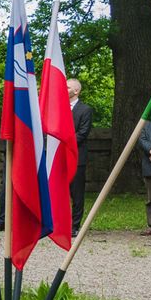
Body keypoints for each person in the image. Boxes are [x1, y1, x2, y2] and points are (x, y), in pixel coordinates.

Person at [67, 78, 93, 236]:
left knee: (76, 193)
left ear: (76, 91)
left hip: (76, 156)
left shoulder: (85, 110)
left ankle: (74, 225)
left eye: (67, 87)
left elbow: (83, 133)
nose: (64, 88)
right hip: (59, 157)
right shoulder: (58, 107)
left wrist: (64, 142)